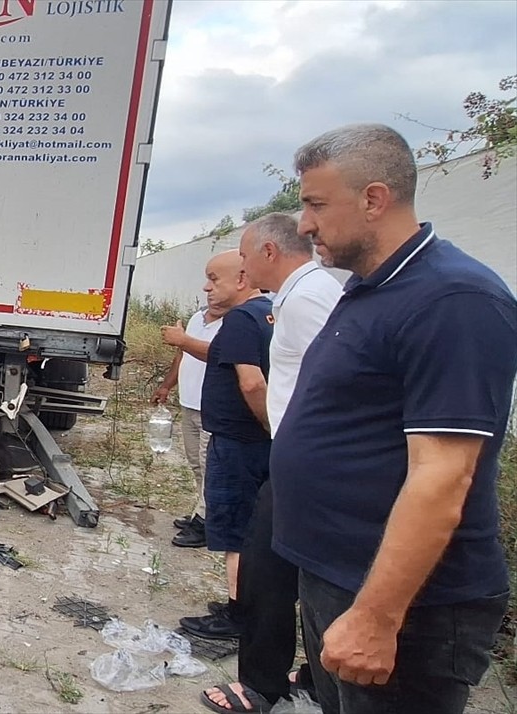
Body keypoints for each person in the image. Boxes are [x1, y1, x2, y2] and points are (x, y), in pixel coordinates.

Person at [273, 123, 516, 714]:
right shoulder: (373, 290)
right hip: (339, 577)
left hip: (407, 609)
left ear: (374, 199)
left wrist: (377, 617)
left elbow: (443, 476)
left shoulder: (453, 300)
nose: (304, 225)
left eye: (316, 204)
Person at [198, 212, 343, 713]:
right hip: (305, 455)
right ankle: (315, 674)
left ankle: (262, 684)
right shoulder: (300, 296)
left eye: (244, 255)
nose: (241, 267)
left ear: (268, 252)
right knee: (303, 572)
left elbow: (335, 381)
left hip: (307, 459)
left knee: (267, 570)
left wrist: (288, 439)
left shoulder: (305, 299)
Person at [178, 249, 273, 642]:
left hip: (238, 442)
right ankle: (245, 602)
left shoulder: (241, 320)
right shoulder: (269, 314)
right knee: (253, 528)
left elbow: (252, 383)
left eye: (214, 279)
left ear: (242, 279)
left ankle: (238, 616)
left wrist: (270, 426)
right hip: (253, 443)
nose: (207, 287)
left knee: (236, 532)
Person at [157, 303, 227, 548]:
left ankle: (207, 523)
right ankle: (202, 510)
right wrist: (167, 385)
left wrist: (184, 340)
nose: (210, 289)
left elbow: (218, 355)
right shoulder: (198, 317)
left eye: (216, 284)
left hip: (212, 408)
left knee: (211, 468)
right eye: (209, 286)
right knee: (196, 463)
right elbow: (182, 354)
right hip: (189, 403)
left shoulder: (235, 322)